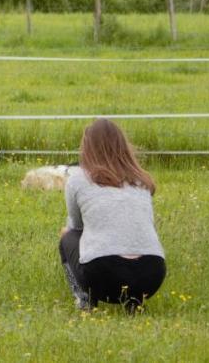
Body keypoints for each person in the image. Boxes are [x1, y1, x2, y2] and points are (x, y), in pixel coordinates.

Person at [58, 118, 166, 312]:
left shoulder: (78, 179)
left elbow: (76, 226)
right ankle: (134, 304)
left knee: (67, 236)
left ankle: (84, 300)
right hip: (153, 274)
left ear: (87, 147)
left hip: (103, 274)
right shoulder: (141, 180)